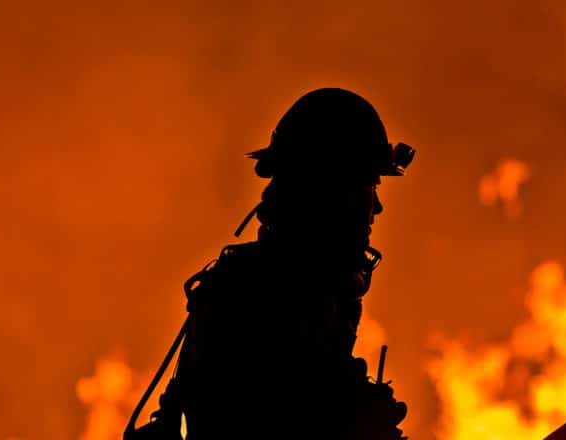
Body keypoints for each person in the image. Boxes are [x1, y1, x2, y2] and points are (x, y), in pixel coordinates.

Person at [141, 88, 414, 440]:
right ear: (325, 190)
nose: (376, 208)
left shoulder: (296, 289)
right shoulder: (262, 301)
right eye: (369, 185)